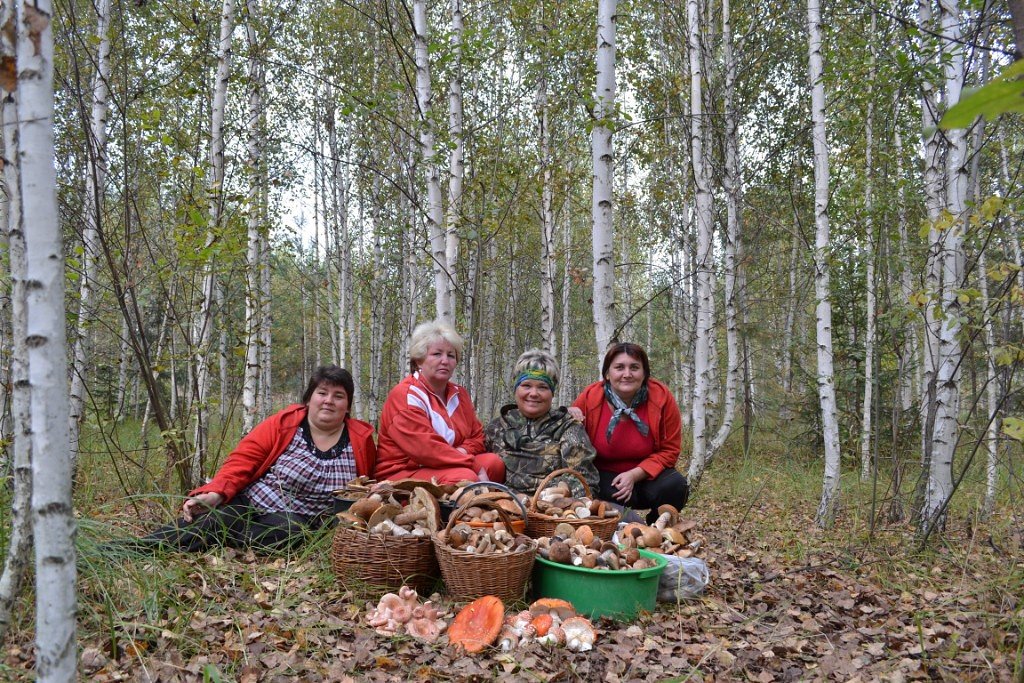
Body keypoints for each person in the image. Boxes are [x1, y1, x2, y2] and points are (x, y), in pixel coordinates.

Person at [135, 365, 376, 552]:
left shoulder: (360, 439)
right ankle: (134, 548)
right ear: (308, 399)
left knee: (291, 532)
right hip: (253, 503)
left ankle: (227, 535)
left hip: (301, 524)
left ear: (347, 406)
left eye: (338, 396)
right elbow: (242, 460)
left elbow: (372, 486)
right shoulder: (284, 425)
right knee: (213, 522)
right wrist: (217, 491)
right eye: (322, 393)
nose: (328, 401)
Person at [571, 342, 689, 523]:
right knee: (591, 488)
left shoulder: (662, 398)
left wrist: (634, 475)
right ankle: (617, 525)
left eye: (634, 367)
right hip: (606, 480)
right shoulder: (590, 398)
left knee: (675, 485)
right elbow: (570, 438)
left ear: (644, 373)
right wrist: (568, 415)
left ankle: (658, 527)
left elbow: (670, 450)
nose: (627, 374)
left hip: (648, 476)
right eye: (619, 367)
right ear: (607, 374)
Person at [375, 320, 505, 484]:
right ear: (419, 360)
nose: (445, 360)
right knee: (466, 477)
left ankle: (479, 504)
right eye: (437, 354)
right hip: (403, 472)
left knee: (493, 464)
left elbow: (477, 436)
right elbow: (426, 449)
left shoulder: (460, 394)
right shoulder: (405, 395)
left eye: (451, 355)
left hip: (448, 464)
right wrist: (470, 463)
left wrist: (462, 452)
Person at [484, 349, 598, 497]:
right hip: (502, 507)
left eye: (543, 387)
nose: (533, 393)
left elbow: (586, 480)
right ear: (515, 389)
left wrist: (559, 492)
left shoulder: (567, 427)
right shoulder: (497, 427)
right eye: (526, 385)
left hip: (552, 508)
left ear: (552, 392)